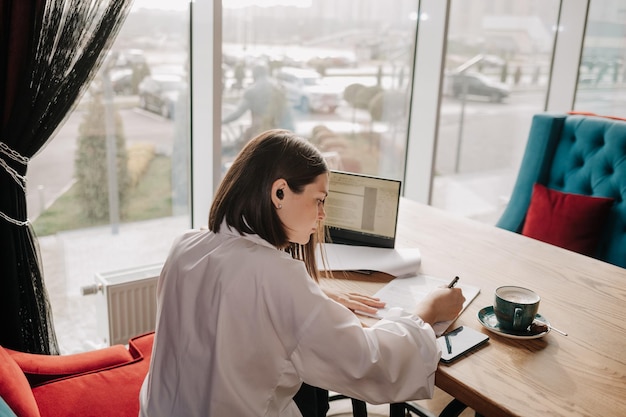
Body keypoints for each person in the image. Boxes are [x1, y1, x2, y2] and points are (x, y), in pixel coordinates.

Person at [139, 129, 465, 417]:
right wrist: (428, 310)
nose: (322, 215)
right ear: (279, 192)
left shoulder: (186, 246)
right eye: (319, 200)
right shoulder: (278, 278)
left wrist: (313, 299)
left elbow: (229, 307)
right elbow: (369, 363)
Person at [222, 64, 294, 152]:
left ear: (254, 74)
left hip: (259, 133)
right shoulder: (278, 88)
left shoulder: (252, 90)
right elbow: (287, 115)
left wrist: (222, 121)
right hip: (279, 133)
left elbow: (238, 113)